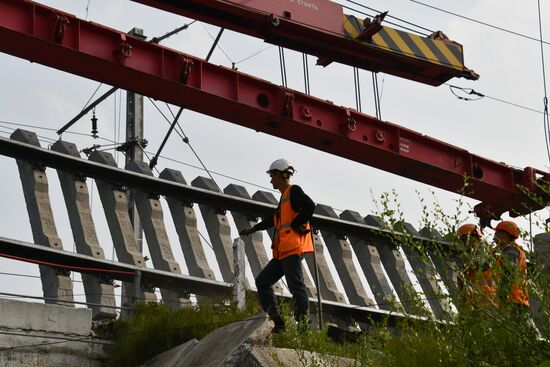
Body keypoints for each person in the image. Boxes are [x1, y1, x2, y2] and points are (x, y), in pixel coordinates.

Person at [239, 159, 315, 332]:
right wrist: (254, 229)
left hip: (292, 248)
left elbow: (310, 206)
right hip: (282, 252)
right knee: (263, 282)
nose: (271, 180)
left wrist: (297, 223)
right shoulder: (285, 198)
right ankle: (277, 323)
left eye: (272, 175)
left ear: (281, 175)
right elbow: (273, 219)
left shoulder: (293, 191)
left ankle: (303, 326)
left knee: (296, 286)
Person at [456, 224, 496, 308]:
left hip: (486, 299)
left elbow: (480, 265)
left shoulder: (483, 251)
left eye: (464, 240)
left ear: (474, 238)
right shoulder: (472, 253)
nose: (464, 243)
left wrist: (466, 258)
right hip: (475, 301)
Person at [492, 220, 529, 310]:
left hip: (512, 300)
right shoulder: (512, 250)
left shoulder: (510, 250)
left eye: (496, 233)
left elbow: (508, 273)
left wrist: (503, 296)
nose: (494, 238)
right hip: (516, 298)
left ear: (504, 235)